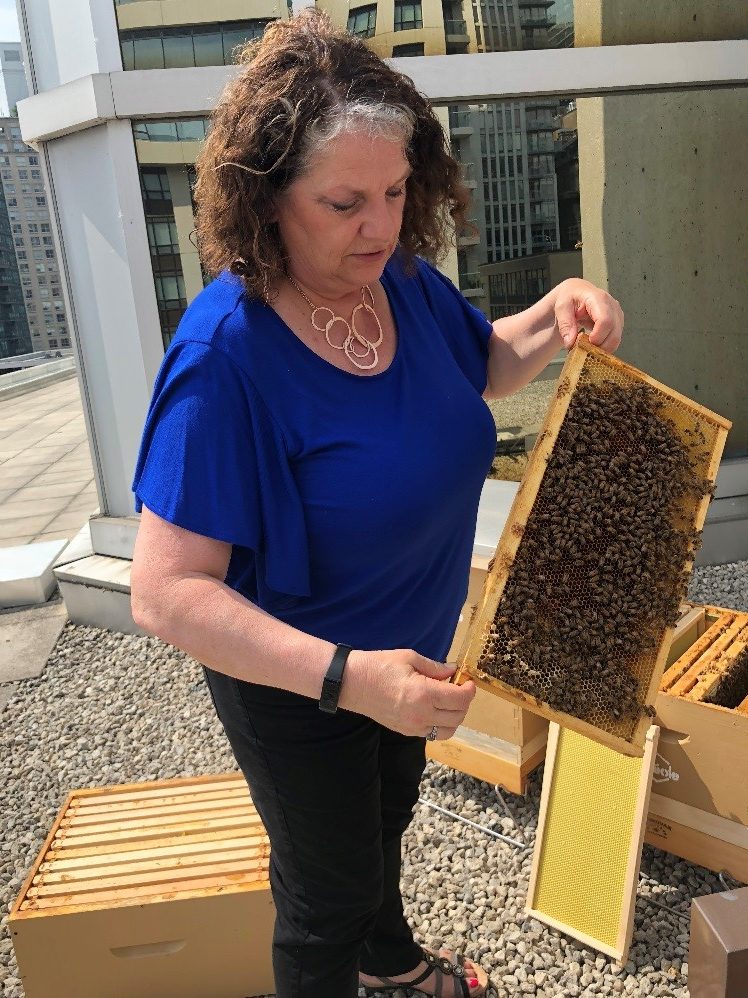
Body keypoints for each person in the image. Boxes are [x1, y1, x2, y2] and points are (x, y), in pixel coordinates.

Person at [130, 10, 623, 998]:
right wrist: (350, 677)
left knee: (386, 821)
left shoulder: (395, 280)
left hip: (415, 649)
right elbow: (166, 592)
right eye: (344, 201)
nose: (383, 224)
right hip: (299, 678)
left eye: (396, 191)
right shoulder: (224, 357)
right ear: (269, 201)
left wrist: (556, 310)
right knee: (325, 895)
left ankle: (392, 967)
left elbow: (478, 366)